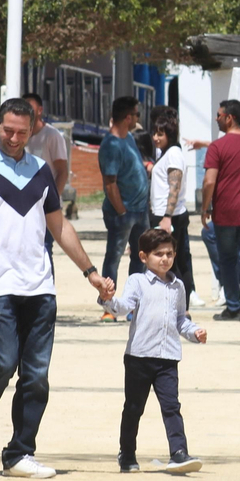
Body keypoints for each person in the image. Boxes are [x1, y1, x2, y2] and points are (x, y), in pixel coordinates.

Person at [0, 98, 113, 478]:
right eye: (8, 130)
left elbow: (59, 227)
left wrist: (90, 271)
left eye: (22, 132)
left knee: (36, 375)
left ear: (33, 129)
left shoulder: (41, 171)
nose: (14, 137)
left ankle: (19, 453)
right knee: (2, 363)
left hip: (39, 287)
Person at [100, 227, 207, 474]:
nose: (165, 259)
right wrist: (108, 299)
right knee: (134, 408)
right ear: (143, 256)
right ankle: (127, 454)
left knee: (171, 406)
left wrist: (194, 332)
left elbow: (181, 319)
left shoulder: (178, 286)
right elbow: (124, 307)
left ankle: (179, 452)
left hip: (168, 358)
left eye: (170, 253)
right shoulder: (138, 281)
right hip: (139, 357)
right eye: (159, 254)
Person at [202, 99, 240, 322]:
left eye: (219, 115)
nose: (217, 119)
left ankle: (232, 307)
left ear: (230, 118)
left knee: (228, 258)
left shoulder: (217, 147)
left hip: (226, 212)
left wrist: (204, 207)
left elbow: (209, 181)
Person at [99, 96, 149, 321]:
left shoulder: (128, 137)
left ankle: (132, 306)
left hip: (140, 211)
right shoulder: (110, 145)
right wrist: (121, 211)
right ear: (128, 117)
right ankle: (108, 306)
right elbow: (110, 184)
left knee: (141, 258)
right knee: (114, 257)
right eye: (136, 114)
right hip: (124, 212)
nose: (138, 118)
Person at [148, 112, 195, 302]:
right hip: (164, 214)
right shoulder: (166, 153)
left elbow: (174, 187)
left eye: (160, 134)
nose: (155, 138)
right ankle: (181, 305)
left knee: (171, 262)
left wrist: (167, 216)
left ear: (170, 134)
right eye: (154, 133)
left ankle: (182, 306)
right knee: (175, 260)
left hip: (169, 216)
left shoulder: (174, 154)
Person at [23, 92, 70, 194]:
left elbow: (62, 172)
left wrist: (54, 200)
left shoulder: (51, 135)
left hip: (46, 202)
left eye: (30, 107)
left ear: (40, 110)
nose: (26, 111)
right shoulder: (20, 137)